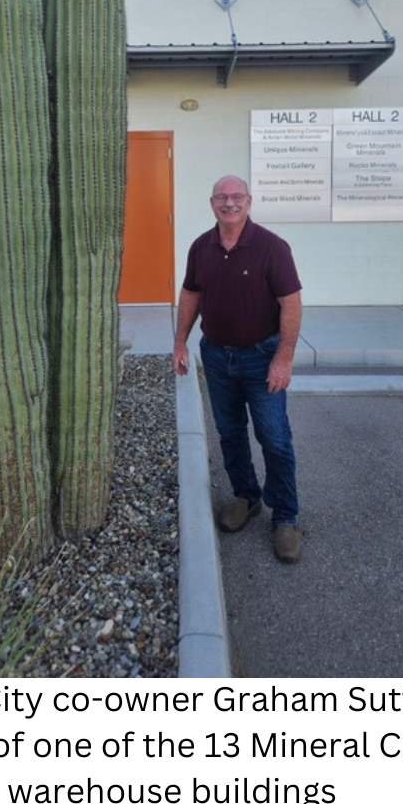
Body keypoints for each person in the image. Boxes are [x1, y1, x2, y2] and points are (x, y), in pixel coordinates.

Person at [173, 174, 303, 562]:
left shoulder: (271, 247)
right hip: (216, 355)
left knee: (274, 438)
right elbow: (191, 293)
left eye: (236, 197)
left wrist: (283, 358)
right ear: (212, 203)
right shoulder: (201, 247)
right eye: (221, 197)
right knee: (230, 433)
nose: (228, 203)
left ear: (249, 201)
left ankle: (285, 517)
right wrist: (180, 342)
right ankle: (246, 497)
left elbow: (291, 304)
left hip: (261, 357)